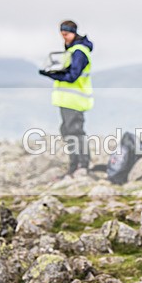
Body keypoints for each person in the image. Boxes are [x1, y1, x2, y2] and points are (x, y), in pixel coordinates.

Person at [39, 20, 94, 176]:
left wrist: (52, 75)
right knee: (67, 131)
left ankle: (81, 165)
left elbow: (72, 76)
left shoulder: (79, 52)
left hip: (75, 101)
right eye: (62, 34)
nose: (64, 37)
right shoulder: (72, 50)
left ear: (74, 32)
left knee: (75, 132)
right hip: (67, 100)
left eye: (67, 34)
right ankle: (75, 165)